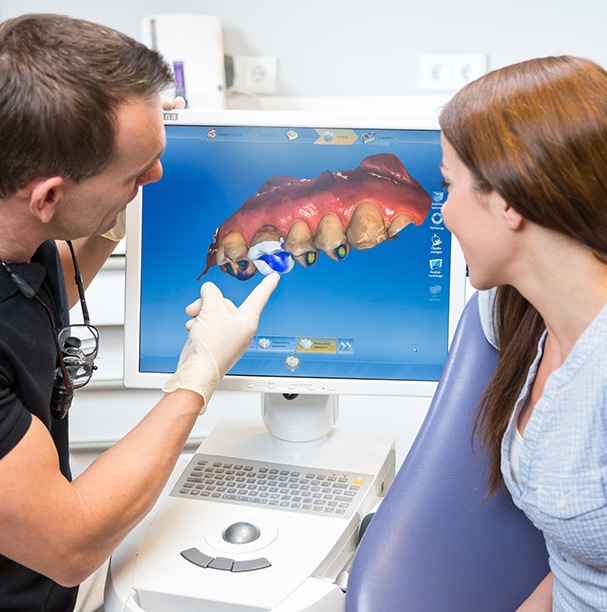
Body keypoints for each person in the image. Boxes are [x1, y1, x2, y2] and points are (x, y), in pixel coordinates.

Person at [0, 13, 279, 611]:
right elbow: (68, 543)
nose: (156, 177)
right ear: (47, 197)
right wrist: (197, 375)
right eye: (136, 173)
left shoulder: (17, 235)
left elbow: (22, 309)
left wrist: (109, 214)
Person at [438, 55, 607, 610]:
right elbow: (573, 569)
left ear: (508, 201)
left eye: (450, 186)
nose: (445, 214)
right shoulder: (514, 313)